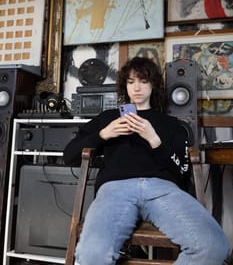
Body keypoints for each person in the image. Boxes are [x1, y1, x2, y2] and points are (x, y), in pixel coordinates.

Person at [64, 56, 230, 265]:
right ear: (125, 86)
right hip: (115, 189)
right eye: (131, 82)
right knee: (91, 256)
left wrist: (154, 140)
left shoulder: (171, 124)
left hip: (162, 189)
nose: (137, 88)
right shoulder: (108, 118)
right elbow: (68, 155)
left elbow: (183, 171)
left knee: (214, 247)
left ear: (153, 85)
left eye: (143, 81)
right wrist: (103, 134)